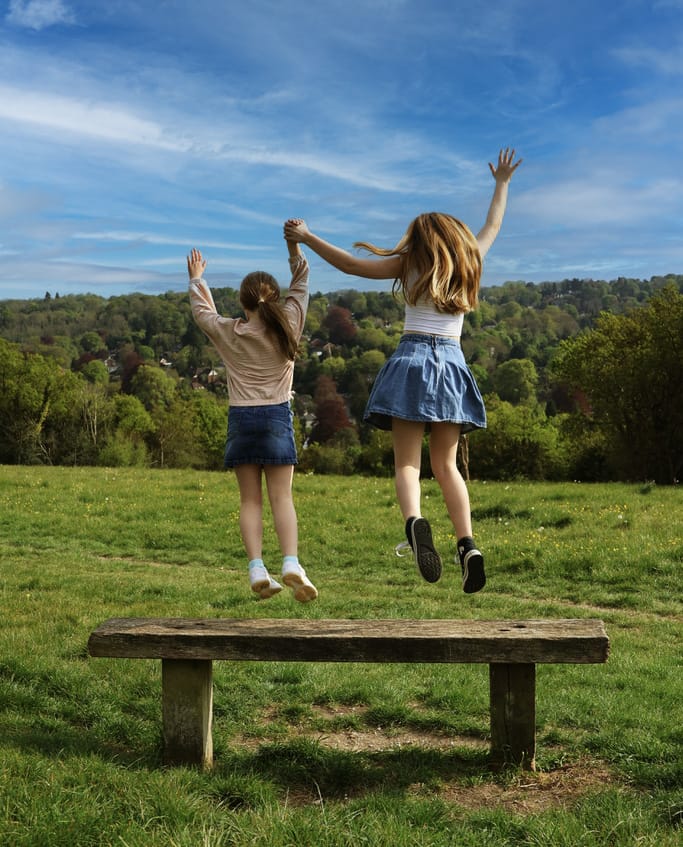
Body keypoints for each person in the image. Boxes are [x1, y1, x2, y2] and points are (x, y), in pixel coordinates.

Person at [284, 149, 521, 593]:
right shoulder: (470, 259)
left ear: (421, 239)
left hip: (411, 362)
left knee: (407, 465)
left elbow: (353, 265)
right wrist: (502, 183)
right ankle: (467, 544)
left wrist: (308, 236)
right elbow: (492, 227)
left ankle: (415, 524)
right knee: (447, 466)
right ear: (454, 238)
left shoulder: (410, 264)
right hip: (451, 364)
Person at [187, 225, 318, 602]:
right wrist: (293, 246)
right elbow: (303, 279)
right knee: (282, 498)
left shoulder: (231, 332)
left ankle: (257, 568)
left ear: (243, 302)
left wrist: (198, 279)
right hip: (277, 417)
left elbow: (203, 314)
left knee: (250, 501)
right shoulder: (289, 322)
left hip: (241, 419)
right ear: (274, 298)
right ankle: (291, 563)